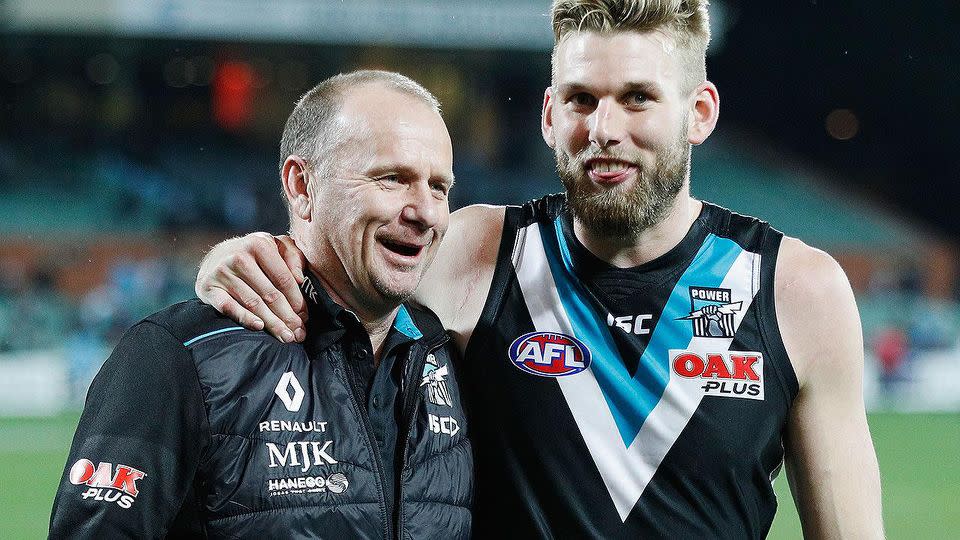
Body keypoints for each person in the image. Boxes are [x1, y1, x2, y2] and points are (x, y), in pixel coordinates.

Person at [195, 1, 884, 537]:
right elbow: (336, 275)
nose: (604, 128)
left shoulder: (796, 291)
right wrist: (228, 260)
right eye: (582, 99)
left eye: (638, 97)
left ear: (698, 113)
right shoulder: (476, 252)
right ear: (552, 115)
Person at [49, 71, 473, 539]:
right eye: (392, 178)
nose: (427, 211)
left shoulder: (455, 352)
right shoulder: (176, 357)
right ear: (301, 186)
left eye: (439, 187)